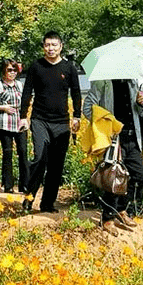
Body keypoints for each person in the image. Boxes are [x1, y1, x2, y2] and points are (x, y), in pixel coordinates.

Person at [19, 32, 81, 212]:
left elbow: (76, 93)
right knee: (39, 158)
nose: (51, 48)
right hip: (40, 120)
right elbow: (27, 92)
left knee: (56, 165)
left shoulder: (69, 68)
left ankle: (47, 203)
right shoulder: (36, 66)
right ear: (43, 46)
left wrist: (77, 116)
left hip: (61, 122)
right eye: (47, 45)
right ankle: (29, 198)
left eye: (54, 45)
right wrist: (24, 116)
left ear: (61, 46)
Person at [83, 79, 143, 235]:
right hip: (114, 138)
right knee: (114, 176)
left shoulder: (132, 83)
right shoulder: (102, 83)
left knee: (140, 176)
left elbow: (140, 114)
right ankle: (107, 219)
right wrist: (106, 123)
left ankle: (121, 209)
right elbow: (87, 109)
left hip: (133, 138)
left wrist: (141, 104)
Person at [0, 58, 29, 193]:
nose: (12, 73)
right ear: (4, 70)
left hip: (19, 121)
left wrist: (26, 117)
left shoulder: (20, 85)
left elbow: (26, 100)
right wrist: (3, 108)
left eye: (15, 70)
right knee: (8, 153)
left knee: (23, 152)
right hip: (4, 122)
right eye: (10, 70)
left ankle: (24, 185)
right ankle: (8, 185)